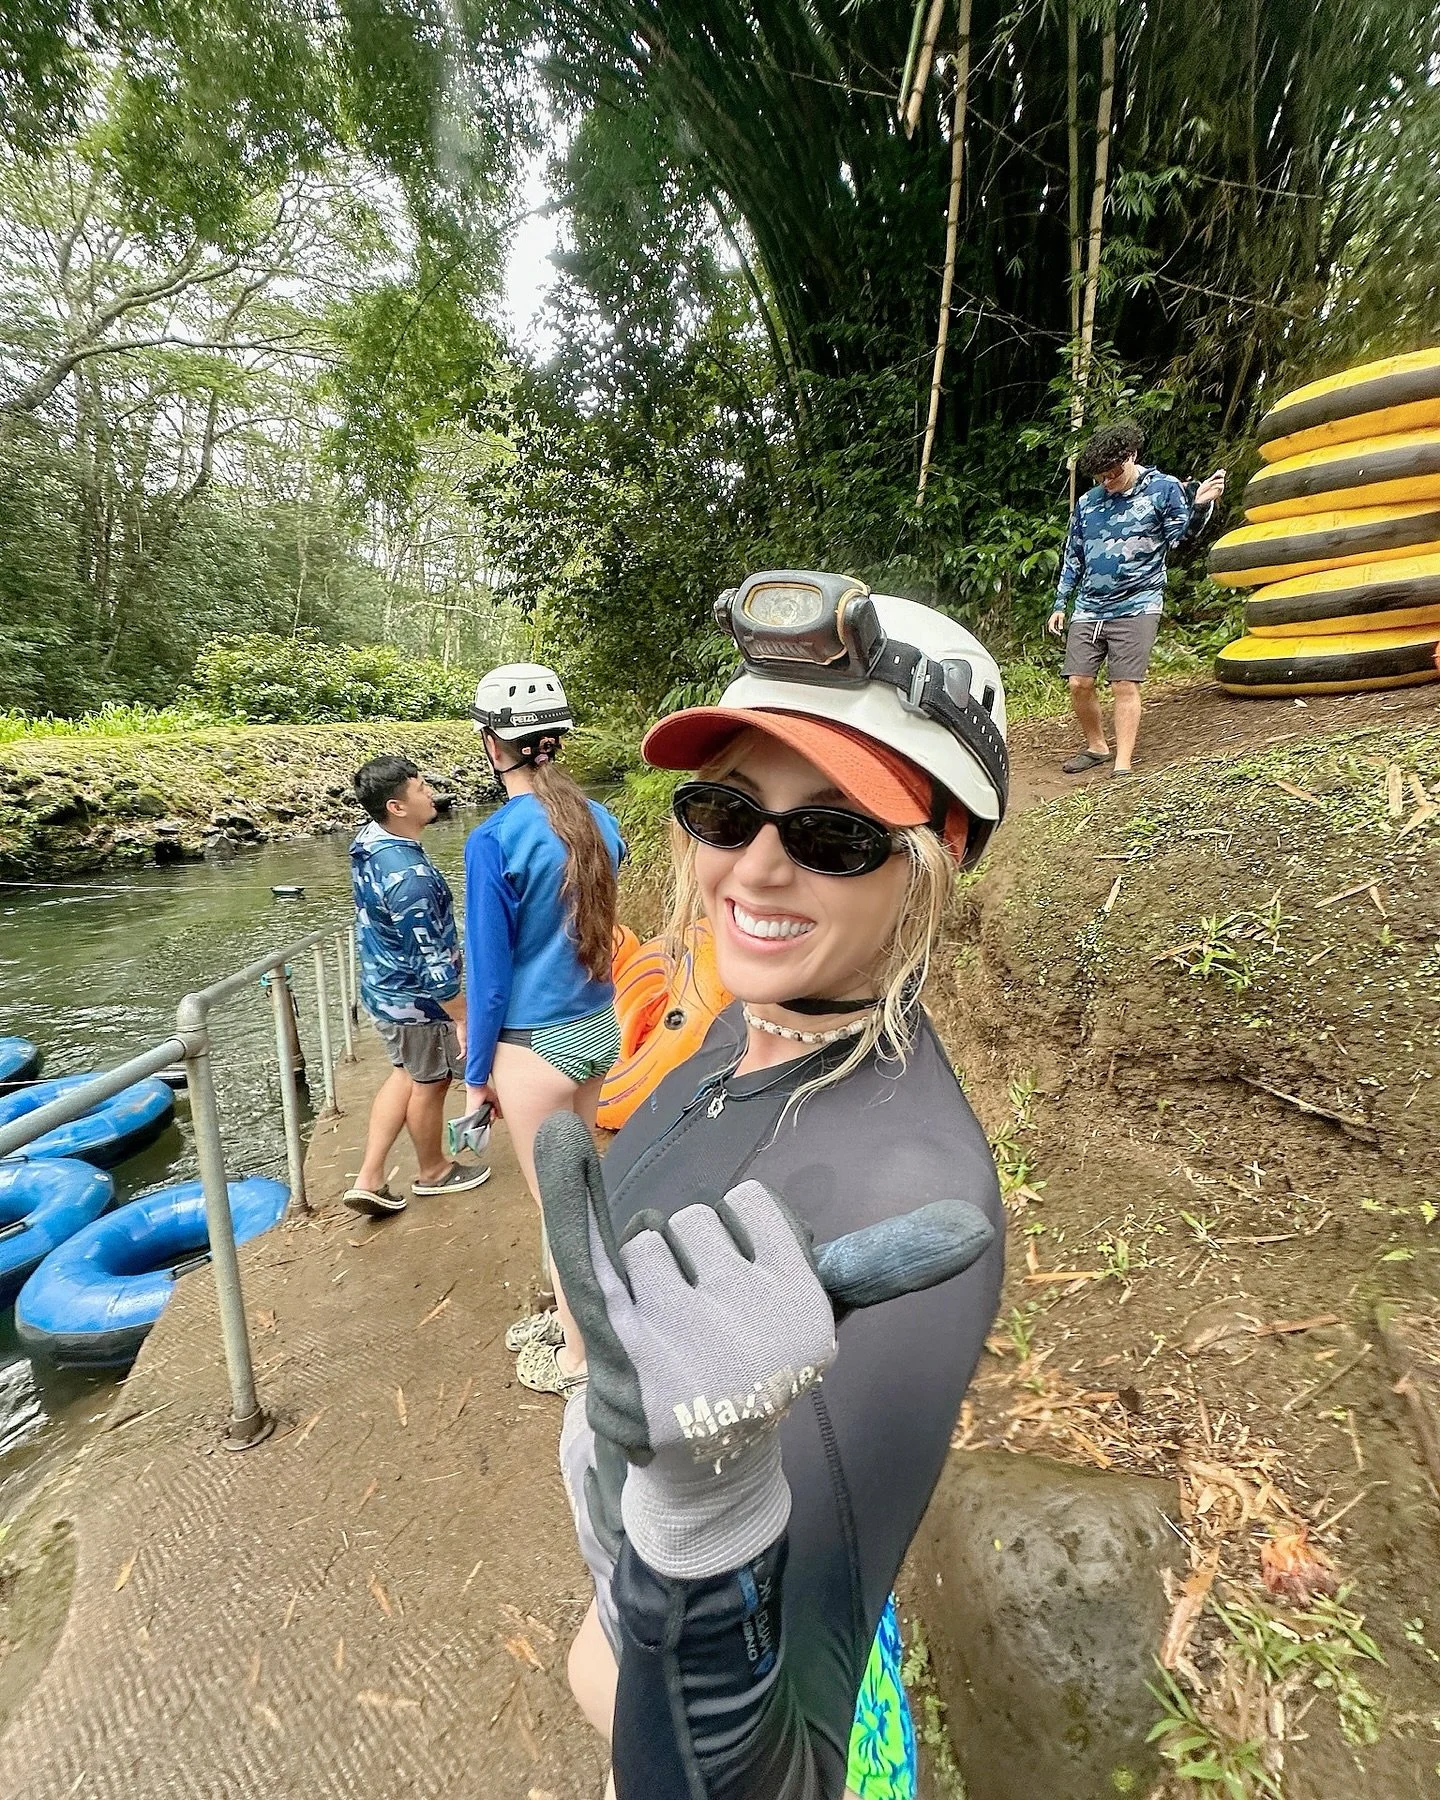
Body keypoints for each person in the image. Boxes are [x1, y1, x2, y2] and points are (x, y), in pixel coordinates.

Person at [548, 572, 1010, 1799]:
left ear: (939, 855)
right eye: (726, 810)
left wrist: (704, 1535)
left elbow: (788, 1770)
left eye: (833, 834)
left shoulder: (903, 1192)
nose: (752, 872)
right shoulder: (734, 1030)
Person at [462, 663, 626, 1397]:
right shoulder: (600, 822)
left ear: (493, 744)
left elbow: (490, 978)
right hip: (597, 1029)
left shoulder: (493, 840)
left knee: (562, 1214)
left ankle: (580, 1362)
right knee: (579, 1195)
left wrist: (475, 1079)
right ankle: (574, 1321)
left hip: (533, 1047)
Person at [345, 755, 487, 1217]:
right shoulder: (410, 878)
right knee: (432, 1081)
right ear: (397, 806)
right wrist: (462, 1015)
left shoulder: (370, 843)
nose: (431, 794)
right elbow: (430, 962)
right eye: (421, 788)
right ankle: (434, 1171)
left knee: (405, 1074)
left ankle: (369, 1178)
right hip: (415, 1001)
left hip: (382, 988)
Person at [1047, 419, 1227, 776]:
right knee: (1079, 682)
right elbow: (1074, 554)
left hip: (1138, 603)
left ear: (1131, 456)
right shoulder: (1088, 503)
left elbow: (1181, 540)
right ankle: (1097, 747)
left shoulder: (1163, 489)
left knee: (1124, 683)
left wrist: (1200, 506)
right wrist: (1060, 603)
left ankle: (1123, 765)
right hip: (1090, 605)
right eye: (1100, 477)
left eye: (1113, 473)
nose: (1107, 482)